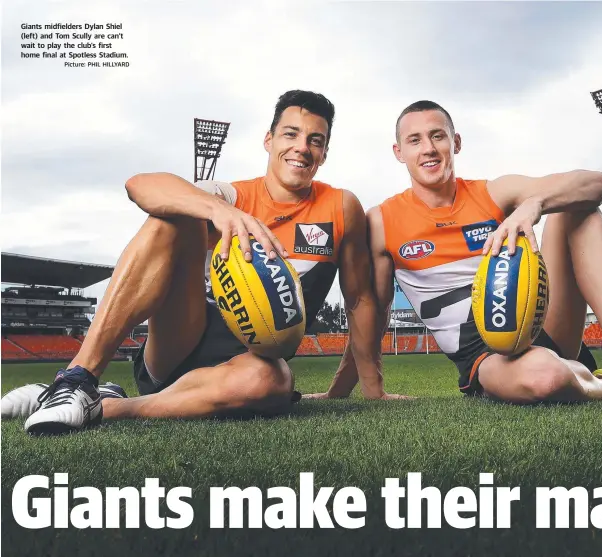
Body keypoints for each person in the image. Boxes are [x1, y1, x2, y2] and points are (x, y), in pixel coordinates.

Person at [2, 90, 406, 435]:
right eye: (291, 133)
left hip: (253, 362)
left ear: (324, 153)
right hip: (181, 343)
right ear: (269, 140)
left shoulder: (340, 206)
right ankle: (78, 378)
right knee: (173, 215)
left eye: (315, 140)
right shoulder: (232, 195)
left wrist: (367, 388)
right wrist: (219, 212)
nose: (302, 146)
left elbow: (359, 300)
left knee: (273, 381)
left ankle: (100, 407)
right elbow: (140, 185)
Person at [311, 100, 602, 406]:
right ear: (399, 151)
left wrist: (534, 206)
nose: (428, 149)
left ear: (455, 142)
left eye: (438, 136)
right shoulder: (381, 220)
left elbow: (598, 183)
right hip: (487, 354)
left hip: (540, 326)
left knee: (578, 210)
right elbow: (371, 310)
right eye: (415, 140)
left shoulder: (492, 192)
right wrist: (351, 388)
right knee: (545, 379)